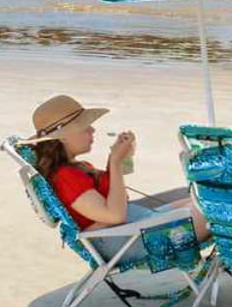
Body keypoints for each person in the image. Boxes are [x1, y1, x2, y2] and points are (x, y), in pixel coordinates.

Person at [21, 94, 208, 260]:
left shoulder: (78, 168)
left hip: (132, 227)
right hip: (125, 241)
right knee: (216, 212)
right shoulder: (65, 177)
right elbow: (115, 215)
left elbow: (118, 199)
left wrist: (119, 158)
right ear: (62, 137)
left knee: (203, 201)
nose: (92, 130)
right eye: (85, 126)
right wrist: (116, 163)